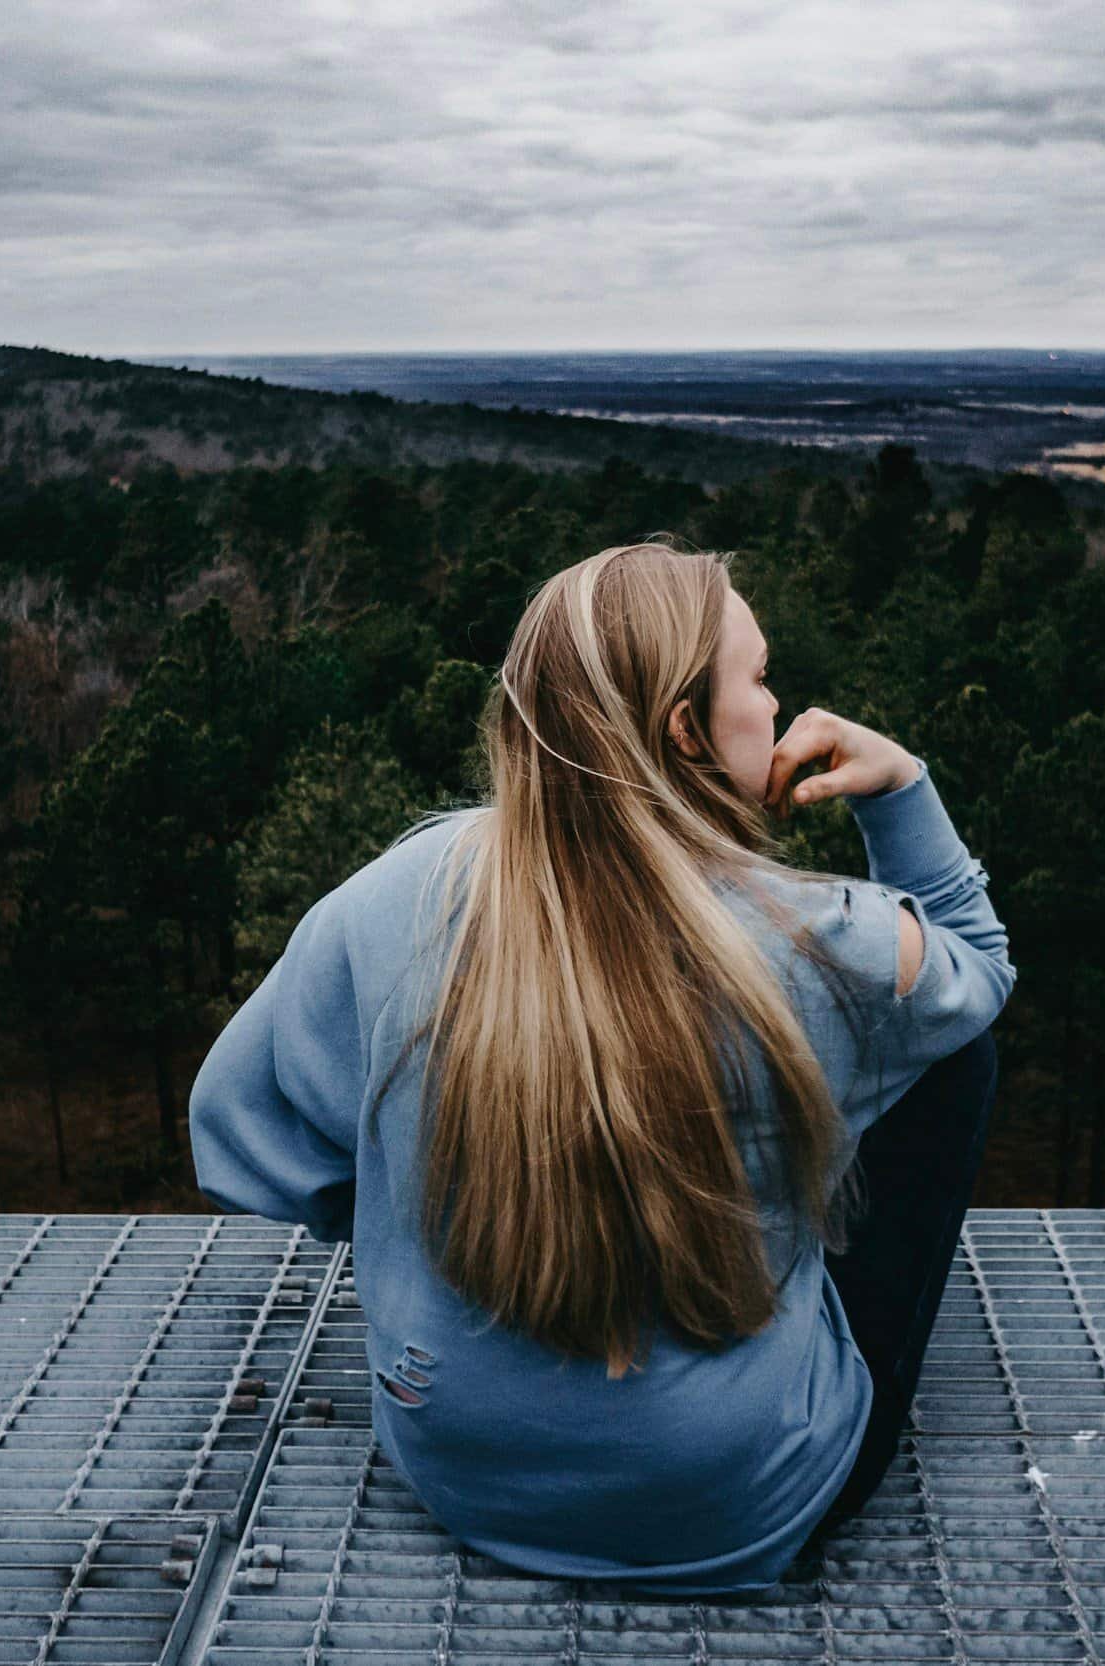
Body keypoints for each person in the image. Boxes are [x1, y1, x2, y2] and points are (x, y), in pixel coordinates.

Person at [188, 540, 1015, 1596]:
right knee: (956, 1057)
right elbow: (979, 968)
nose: (775, 707)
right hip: (732, 1496)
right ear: (684, 729)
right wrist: (897, 785)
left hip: (459, 1466)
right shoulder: (821, 942)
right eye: (757, 680)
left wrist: (430, 1214)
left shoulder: (396, 895)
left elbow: (236, 1136)